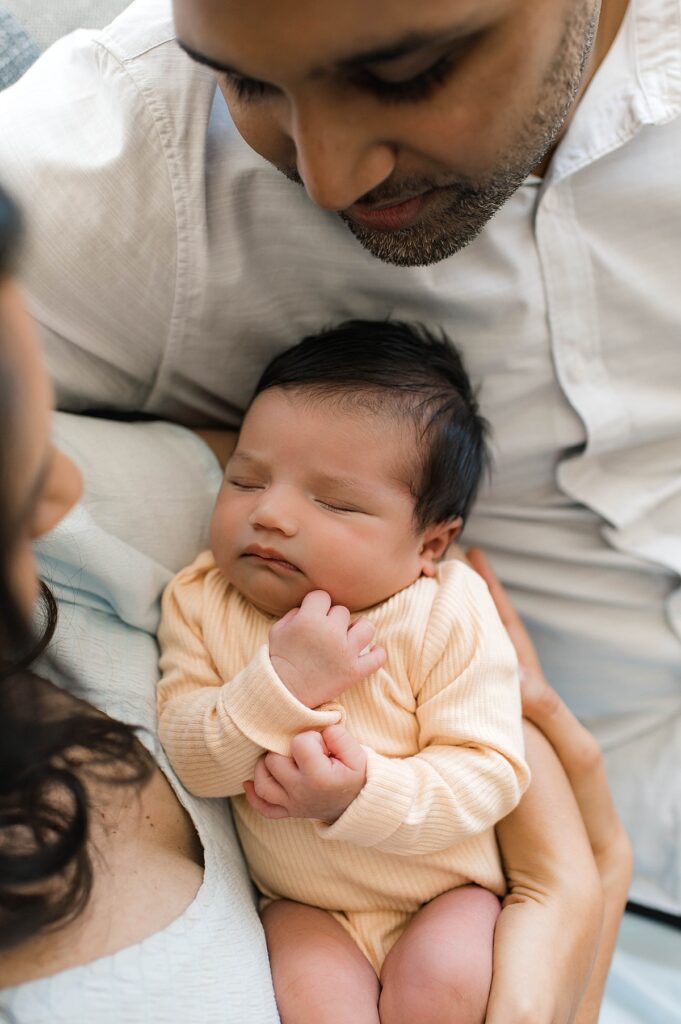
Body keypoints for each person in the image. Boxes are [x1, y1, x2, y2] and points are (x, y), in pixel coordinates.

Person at [157, 321, 531, 1024]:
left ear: (430, 543)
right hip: (303, 904)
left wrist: (359, 795)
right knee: (317, 1004)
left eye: (333, 502)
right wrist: (280, 685)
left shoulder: (446, 610)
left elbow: (489, 773)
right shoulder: (203, 598)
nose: (268, 513)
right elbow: (193, 760)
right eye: (245, 478)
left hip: (445, 894)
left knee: (444, 985)